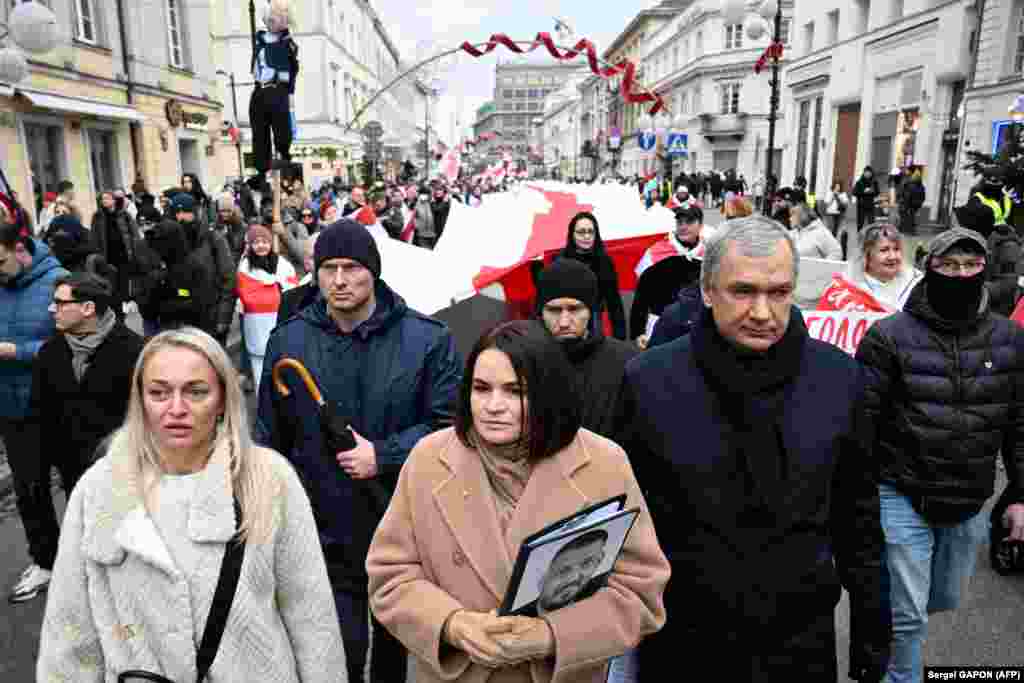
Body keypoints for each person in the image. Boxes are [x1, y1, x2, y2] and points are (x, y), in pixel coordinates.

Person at [621, 216, 890, 680]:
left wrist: (872, 626)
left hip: (799, 642)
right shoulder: (648, 381)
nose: (763, 312)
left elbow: (858, 517)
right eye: (743, 291)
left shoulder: (839, 379)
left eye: (779, 292)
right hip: (684, 641)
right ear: (707, 290)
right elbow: (625, 521)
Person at [366, 319, 669, 683]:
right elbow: (390, 576)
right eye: (482, 388)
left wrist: (551, 636)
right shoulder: (428, 459)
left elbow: (640, 591)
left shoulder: (604, 464)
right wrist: (452, 624)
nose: (494, 405)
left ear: (547, 392)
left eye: (515, 391)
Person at [37, 327, 347, 681]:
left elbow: (311, 614)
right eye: (159, 392)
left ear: (221, 399)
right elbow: (70, 630)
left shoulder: (268, 478)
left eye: (196, 392)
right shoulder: (99, 489)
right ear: (140, 400)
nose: (176, 409)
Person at [256, 218, 463, 683]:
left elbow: (450, 429)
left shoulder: (427, 340)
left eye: (352, 267)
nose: (340, 280)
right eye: (329, 268)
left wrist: (384, 455)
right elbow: (269, 438)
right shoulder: (290, 340)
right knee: (336, 655)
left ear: (374, 272)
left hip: (400, 527)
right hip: (322, 530)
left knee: (393, 656)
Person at [855, 228, 1024, 683]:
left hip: (968, 498)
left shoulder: (1009, 338)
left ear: (985, 271)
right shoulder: (887, 337)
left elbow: (1019, 422)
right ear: (929, 270)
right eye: (949, 266)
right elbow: (862, 425)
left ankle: (891, 643)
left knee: (942, 597)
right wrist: (859, 501)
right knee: (908, 617)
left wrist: (1019, 497)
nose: (961, 274)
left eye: (971, 266)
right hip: (900, 493)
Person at [23, 274, 143, 600]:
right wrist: (39, 461)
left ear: (88, 308)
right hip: (73, 470)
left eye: (61, 303)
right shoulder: (51, 352)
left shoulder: (134, 351)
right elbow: (39, 411)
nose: (52, 309)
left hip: (124, 472)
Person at [0, 225, 70, 603]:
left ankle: (90, 562)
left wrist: (19, 351)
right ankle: (45, 561)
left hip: (56, 404)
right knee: (29, 490)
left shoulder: (58, 281)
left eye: (0, 260)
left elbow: (74, 341)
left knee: (79, 487)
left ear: (21, 249)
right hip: (10, 406)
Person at [535, 259, 638, 444]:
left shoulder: (628, 364)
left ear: (590, 311)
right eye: (554, 310)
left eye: (574, 309)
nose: (564, 321)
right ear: (541, 312)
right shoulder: (525, 361)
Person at [236, 218, 297, 393]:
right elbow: (249, 296)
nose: (261, 246)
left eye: (264, 242)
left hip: (279, 325)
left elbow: (292, 290)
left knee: (282, 371)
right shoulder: (245, 266)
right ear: (250, 245)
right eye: (256, 242)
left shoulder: (282, 264)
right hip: (256, 328)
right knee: (260, 374)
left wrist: (280, 289)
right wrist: (274, 288)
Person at [630, 206, 706, 347]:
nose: (683, 226)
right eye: (679, 222)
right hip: (658, 326)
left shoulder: (709, 255)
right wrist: (638, 331)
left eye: (689, 221)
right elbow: (641, 297)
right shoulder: (655, 253)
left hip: (697, 327)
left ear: (700, 225)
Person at [170, 193, 236, 343]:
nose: (181, 217)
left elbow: (229, 278)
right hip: (186, 321)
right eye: (177, 212)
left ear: (195, 212)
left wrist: (223, 318)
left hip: (212, 318)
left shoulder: (214, 238)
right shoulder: (174, 241)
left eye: (186, 211)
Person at [560, 212, 627, 340]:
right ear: (572, 234)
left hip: (595, 323)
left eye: (591, 231)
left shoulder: (604, 261)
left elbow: (614, 301)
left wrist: (620, 337)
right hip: (567, 323)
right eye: (581, 232)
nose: (586, 236)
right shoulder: (562, 261)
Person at [518, 529, 610, 618]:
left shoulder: (603, 594)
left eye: (587, 563)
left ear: (599, 560)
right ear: (539, 577)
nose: (574, 577)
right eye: (563, 571)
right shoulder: (516, 618)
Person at [845, 222, 923, 312]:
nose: (892, 256)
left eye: (897, 249)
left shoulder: (915, 282)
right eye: (884, 250)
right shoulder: (847, 286)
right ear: (866, 255)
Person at [90, 190, 138, 318]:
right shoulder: (98, 216)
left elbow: (133, 233)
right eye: (103, 199)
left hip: (123, 253)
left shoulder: (124, 214)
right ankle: (116, 306)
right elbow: (94, 236)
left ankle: (124, 303)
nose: (105, 201)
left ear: (114, 200)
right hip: (107, 255)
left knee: (124, 280)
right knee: (111, 281)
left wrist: (135, 249)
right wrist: (97, 253)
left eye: (107, 198)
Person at [276, 232, 319, 325]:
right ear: (306, 262)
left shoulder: (345, 297)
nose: (320, 262)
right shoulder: (289, 299)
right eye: (313, 257)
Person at [898, 168, 925, 235]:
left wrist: (919, 203)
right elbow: (906, 194)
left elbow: (922, 196)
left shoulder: (915, 185)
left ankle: (907, 231)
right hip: (911, 204)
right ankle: (909, 231)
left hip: (912, 204)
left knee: (909, 218)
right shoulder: (911, 184)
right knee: (909, 218)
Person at [853, 166, 881, 233]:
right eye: (866, 172)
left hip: (870, 205)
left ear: (871, 173)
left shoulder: (874, 182)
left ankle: (870, 236)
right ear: (864, 173)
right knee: (860, 222)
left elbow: (877, 192)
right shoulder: (859, 182)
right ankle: (859, 235)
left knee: (871, 222)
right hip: (861, 205)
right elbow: (854, 192)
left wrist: (872, 191)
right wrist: (863, 191)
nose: (867, 174)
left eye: (869, 172)